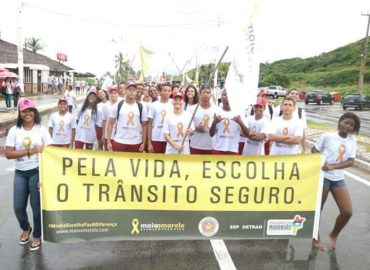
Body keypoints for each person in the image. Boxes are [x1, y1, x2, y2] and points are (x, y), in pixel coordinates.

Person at [5, 99, 52, 251]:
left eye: (30, 110)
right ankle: (26, 228)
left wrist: (44, 176)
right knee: (18, 207)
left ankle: (37, 235)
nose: (27, 114)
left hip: (36, 171)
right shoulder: (14, 130)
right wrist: (29, 151)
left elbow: (50, 154)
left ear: (35, 111)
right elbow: (8, 154)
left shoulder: (41, 129)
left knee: (36, 206)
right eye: (24, 111)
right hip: (20, 172)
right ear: (20, 112)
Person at [312, 112, 360, 251]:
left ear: (354, 128)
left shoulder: (352, 140)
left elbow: (351, 161)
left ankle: (333, 235)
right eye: (346, 122)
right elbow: (314, 149)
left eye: (351, 125)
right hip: (323, 177)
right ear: (340, 122)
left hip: (338, 179)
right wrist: (322, 160)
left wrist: (333, 166)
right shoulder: (328, 136)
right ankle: (315, 237)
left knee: (347, 212)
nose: (348, 126)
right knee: (318, 210)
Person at [106, 83, 148, 152]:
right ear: (125, 91)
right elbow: (110, 123)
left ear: (136, 92)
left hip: (136, 142)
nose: (131, 92)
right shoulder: (118, 105)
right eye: (129, 90)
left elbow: (144, 126)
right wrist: (108, 142)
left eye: (134, 90)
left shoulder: (142, 107)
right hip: (119, 141)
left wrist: (143, 143)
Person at [209, 89, 249, 155]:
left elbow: (247, 134)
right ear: (221, 98)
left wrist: (240, 122)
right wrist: (214, 122)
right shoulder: (216, 112)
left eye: (229, 95)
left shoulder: (239, 113)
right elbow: (211, 134)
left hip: (233, 150)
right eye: (224, 94)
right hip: (218, 149)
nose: (227, 96)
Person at [188, 87, 217, 155]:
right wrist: (196, 128)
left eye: (208, 92)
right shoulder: (192, 109)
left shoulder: (216, 109)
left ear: (211, 95)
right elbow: (187, 126)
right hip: (195, 145)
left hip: (211, 146)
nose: (205, 94)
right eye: (203, 92)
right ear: (199, 94)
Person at [147, 83, 173, 153]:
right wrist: (149, 142)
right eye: (164, 90)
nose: (167, 92)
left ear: (171, 92)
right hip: (156, 138)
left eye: (169, 91)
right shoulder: (153, 105)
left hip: (170, 139)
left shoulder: (174, 103)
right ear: (159, 92)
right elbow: (149, 124)